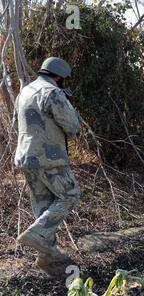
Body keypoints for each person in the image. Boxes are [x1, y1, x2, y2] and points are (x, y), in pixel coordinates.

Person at [13, 57, 80, 277]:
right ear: (59, 76)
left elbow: (16, 124)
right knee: (69, 194)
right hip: (50, 158)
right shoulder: (53, 93)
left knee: (43, 204)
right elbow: (72, 126)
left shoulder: (24, 92)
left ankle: (47, 256)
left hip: (26, 157)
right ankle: (38, 234)